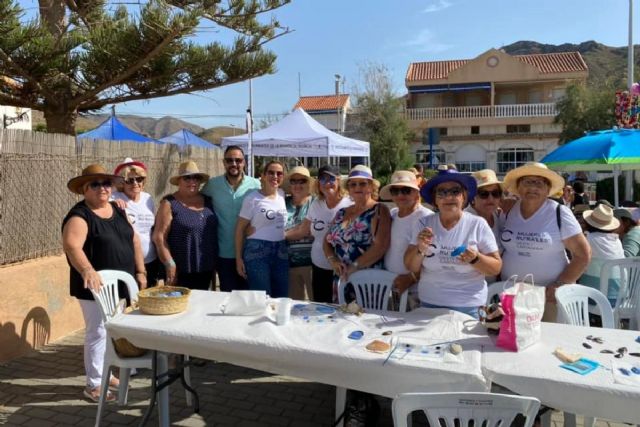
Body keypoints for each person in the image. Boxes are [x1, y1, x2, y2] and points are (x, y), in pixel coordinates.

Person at [62, 164, 146, 402]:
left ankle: (106, 373)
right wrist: (87, 269)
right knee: (97, 332)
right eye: (95, 184)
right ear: (84, 190)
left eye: (106, 183)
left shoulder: (117, 209)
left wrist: (140, 271)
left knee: (112, 330)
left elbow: (135, 240)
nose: (103, 188)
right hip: (95, 287)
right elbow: (72, 245)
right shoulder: (80, 215)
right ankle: (93, 384)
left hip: (120, 284)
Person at [405, 167, 501, 318]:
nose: (448, 197)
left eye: (455, 191)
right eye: (442, 192)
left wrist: (476, 258)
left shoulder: (477, 224)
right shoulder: (423, 223)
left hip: (469, 306)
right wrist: (420, 249)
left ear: (464, 196)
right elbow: (410, 266)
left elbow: (496, 267)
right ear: (435, 199)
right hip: (430, 303)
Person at [500, 162, 591, 321]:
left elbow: (583, 254)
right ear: (518, 187)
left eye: (539, 183)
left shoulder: (559, 213)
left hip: (549, 297)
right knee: (512, 342)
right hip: (511, 294)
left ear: (548, 190)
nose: (533, 187)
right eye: (528, 182)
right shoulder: (509, 211)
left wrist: (559, 285)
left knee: (550, 342)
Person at [285, 165, 352, 303]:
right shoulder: (317, 204)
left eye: (331, 178)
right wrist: (278, 235)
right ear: (318, 183)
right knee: (320, 307)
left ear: (338, 180)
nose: (327, 183)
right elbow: (302, 230)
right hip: (318, 266)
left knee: (342, 309)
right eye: (323, 179)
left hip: (342, 268)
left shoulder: (350, 204)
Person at [324, 165, 391, 302]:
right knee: (342, 321)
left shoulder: (379, 210)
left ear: (371, 187)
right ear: (349, 189)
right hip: (342, 276)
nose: (357, 187)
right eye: (353, 184)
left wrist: (353, 267)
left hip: (367, 279)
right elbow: (326, 241)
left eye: (362, 184)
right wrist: (333, 261)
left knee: (366, 320)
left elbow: (380, 247)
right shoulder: (342, 212)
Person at [201, 146, 260, 292]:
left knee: (249, 297)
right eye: (230, 160)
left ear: (244, 162)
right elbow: (196, 201)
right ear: (224, 163)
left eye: (238, 160)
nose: (234, 164)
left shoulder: (256, 185)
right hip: (224, 252)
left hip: (250, 252)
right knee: (228, 297)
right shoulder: (212, 185)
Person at [152, 161, 217, 290]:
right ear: (179, 181)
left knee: (202, 306)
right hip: (179, 270)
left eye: (196, 178)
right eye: (187, 178)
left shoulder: (208, 201)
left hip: (206, 267)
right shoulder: (169, 203)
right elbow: (159, 237)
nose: (192, 181)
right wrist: (169, 263)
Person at [235, 161, 289, 297]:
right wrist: (238, 259)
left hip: (281, 251)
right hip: (257, 250)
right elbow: (240, 229)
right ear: (263, 176)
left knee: (281, 296)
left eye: (279, 173)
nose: (275, 176)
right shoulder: (252, 199)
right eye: (271, 172)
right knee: (262, 297)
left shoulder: (282, 194)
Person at [380, 170, 433, 310]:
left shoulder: (426, 218)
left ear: (416, 193)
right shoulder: (393, 214)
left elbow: (433, 258)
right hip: (391, 287)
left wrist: (410, 279)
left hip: (415, 291)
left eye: (406, 190)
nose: (400, 195)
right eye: (395, 191)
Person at [112, 158, 161, 286]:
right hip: (128, 262)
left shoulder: (147, 198)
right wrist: (112, 202)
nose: (135, 183)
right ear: (122, 182)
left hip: (151, 259)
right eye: (129, 180)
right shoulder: (115, 198)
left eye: (138, 179)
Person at [579, 204, 623, 307]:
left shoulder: (588, 239)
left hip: (596, 299)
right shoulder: (616, 240)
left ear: (588, 223)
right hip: (619, 297)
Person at [283, 166, 315, 300]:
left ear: (308, 184)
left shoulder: (316, 203)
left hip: (312, 265)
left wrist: (285, 234)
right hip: (289, 264)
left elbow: (310, 230)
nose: (297, 185)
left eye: (302, 181)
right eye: (294, 181)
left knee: (316, 305)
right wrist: (300, 231)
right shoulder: (282, 203)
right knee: (295, 308)